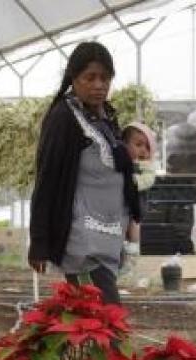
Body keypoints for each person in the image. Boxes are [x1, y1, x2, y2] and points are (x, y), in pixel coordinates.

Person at [28, 42, 140, 305]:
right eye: (90, 78)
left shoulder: (104, 117)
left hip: (108, 237)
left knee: (93, 323)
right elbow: (47, 180)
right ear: (73, 79)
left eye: (105, 78)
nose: (99, 85)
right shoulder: (64, 118)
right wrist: (39, 242)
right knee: (107, 318)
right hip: (83, 241)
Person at [120, 121, 158, 281]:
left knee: (134, 232)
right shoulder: (121, 163)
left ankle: (131, 263)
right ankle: (120, 262)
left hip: (136, 207)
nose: (143, 150)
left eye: (148, 147)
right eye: (138, 144)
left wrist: (133, 181)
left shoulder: (146, 166)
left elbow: (148, 180)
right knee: (120, 233)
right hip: (120, 207)